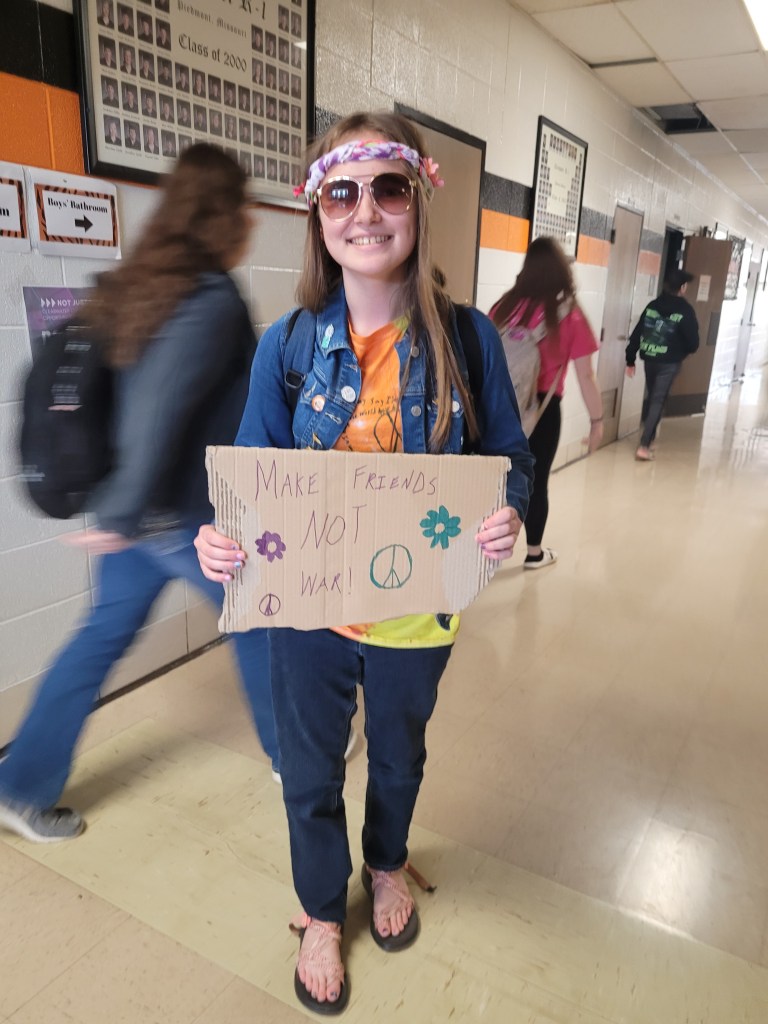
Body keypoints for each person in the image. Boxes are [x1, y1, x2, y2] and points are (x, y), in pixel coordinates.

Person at [194, 111, 534, 1014]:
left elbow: (510, 457)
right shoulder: (289, 346)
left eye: (389, 188)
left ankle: (385, 862)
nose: (367, 212)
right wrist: (221, 537)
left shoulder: (468, 341)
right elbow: (252, 474)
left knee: (397, 756)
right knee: (309, 770)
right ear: (318, 213)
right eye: (342, 192)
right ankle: (319, 909)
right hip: (307, 612)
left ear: (418, 200)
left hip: (415, 610)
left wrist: (507, 511)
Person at [0, 145, 278, 844]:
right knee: (261, 624)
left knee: (100, 636)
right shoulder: (209, 297)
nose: (251, 219)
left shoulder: (137, 285)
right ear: (225, 214)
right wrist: (123, 514)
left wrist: (119, 514)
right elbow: (156, 407)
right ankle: (297, 757)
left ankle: (18, 786)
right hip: (181, 517)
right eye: (245, 205)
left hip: (137, 515)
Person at [491, 236, 603, 570]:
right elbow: (586, 376)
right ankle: (534, 553)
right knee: (535, 482)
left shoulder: (504, 307)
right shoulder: (569, 314)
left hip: (499, 405)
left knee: (493, 477)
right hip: (542, 411)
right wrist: (597, 421)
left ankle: (485, 549)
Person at [625, 268, 699, 460]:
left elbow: (637, 333)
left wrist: (630, 359)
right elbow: (693, 343)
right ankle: (644, 445)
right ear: (683, 287)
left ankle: (649, 438)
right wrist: (681, 352)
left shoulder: (653, 305)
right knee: (658, 400)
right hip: (669, 362)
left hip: (650, 358)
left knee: (653, 398)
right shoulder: (685, 310)